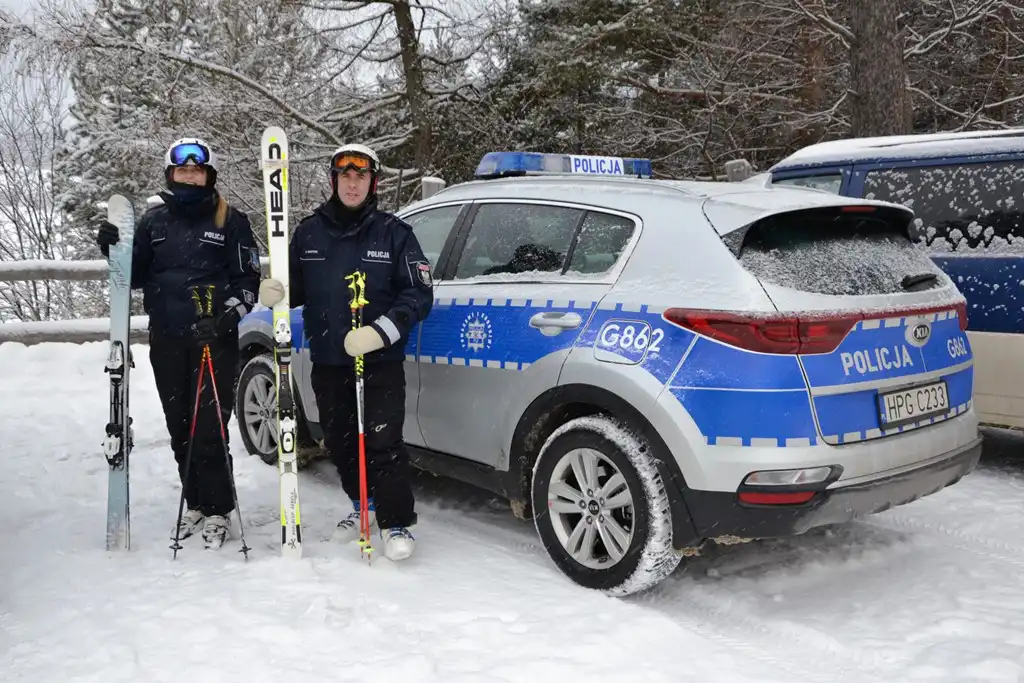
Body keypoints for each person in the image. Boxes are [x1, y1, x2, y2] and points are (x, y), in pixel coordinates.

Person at [258, 143, 433, 562]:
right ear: (334, 180)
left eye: (361, 177)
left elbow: (419, 293)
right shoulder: (309, 233)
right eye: (345, 176)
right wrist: (277, 292)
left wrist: (380, 332)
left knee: (383, 442)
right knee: (339, 442)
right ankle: (362, 506)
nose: (353, 184)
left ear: (373, 183)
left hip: (380, 361)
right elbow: (295, 288)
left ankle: (395, 522)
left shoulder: (395, 234)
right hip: (329, 360)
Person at [95, 137, 261, 550]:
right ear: (171, 174)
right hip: (166, 339)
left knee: (209, 428)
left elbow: (248, 282)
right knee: (180, 427)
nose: (190, 176)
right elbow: (134, 277)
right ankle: (197, 503)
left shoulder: (231, 221)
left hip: (214, 341)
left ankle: (219, 509)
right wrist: (113, 248)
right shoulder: (154, 222)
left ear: (209, 175)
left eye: (197, 170)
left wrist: (224, 318)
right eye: (182, 170)